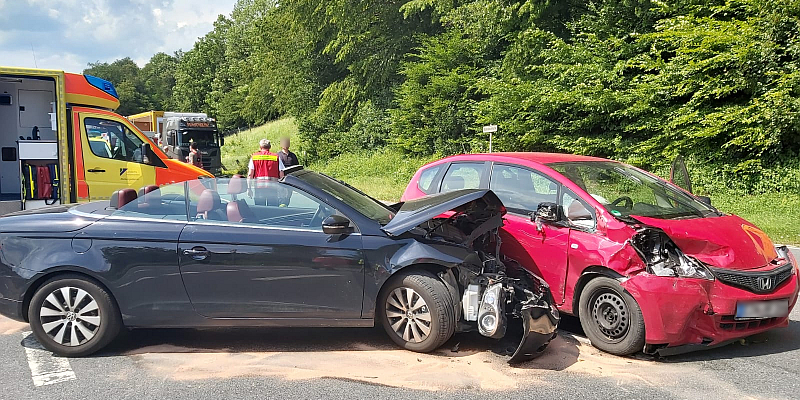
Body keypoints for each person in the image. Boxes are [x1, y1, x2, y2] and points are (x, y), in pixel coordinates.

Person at [247, 139, 284, 206]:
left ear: (260, 147)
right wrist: (282, 188)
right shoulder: (276, 157)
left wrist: (249, 188)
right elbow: (281, 174)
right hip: (273, 187)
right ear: (270, 147)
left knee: (260, 209)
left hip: (259, 188)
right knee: (273, 208)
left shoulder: (254, 157)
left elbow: (250, 174)